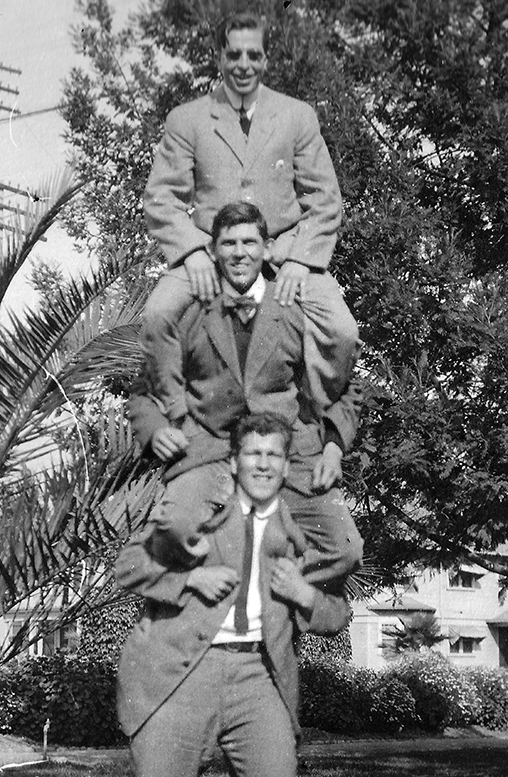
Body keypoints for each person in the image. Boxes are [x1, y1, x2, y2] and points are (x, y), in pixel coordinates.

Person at [116, 412, 349, 777]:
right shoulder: (197, 507)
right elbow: (129, 564)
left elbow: (336, 614)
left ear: (285, 462)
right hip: (179, 671)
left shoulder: (303, 530)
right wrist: (186, 582)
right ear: (236, 460)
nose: (264, 463)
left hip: (257, 678)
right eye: (253, 453)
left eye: (274, 454)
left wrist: (306, 595)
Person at [130, 201, 363, 586]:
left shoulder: (296, 308)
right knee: (172, 534)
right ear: (213, 251)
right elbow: (144, 388)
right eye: (229, 244)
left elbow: (345, 386)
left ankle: (265, 587)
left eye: (250, 243)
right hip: (209, 449)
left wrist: (334, 447)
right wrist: (156, 430)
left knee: (345, 548)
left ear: (267, 248)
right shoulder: (188, 311)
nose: (240, 254)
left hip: (287, 450)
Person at [143, 10, 360, 411]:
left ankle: (315, 417)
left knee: (342, 331)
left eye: (253, 56)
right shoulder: (187, 119)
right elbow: (161, 198)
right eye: (234, 55)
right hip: (213, 253)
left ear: (266, 59)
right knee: (157, 316)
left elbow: (325, 198)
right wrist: (191, 253)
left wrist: (299, 259)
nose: (244, 65)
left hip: (283, 252)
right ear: (219, 56)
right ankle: (176, 416)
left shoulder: (297, 116)